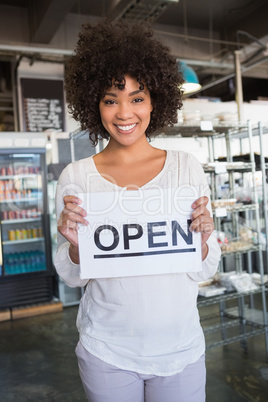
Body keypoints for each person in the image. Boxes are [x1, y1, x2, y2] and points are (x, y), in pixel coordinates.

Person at [54, 18, 221, 402]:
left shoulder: (185, 166)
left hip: (181, 347)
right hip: (107, 349)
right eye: (111, 99)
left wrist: (206, 237)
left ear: (155, 100)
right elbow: (75, 276)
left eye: (137, 97)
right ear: (93, 102)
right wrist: (75, 244)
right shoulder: (76, 176)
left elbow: (203, 267)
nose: (124, 113)